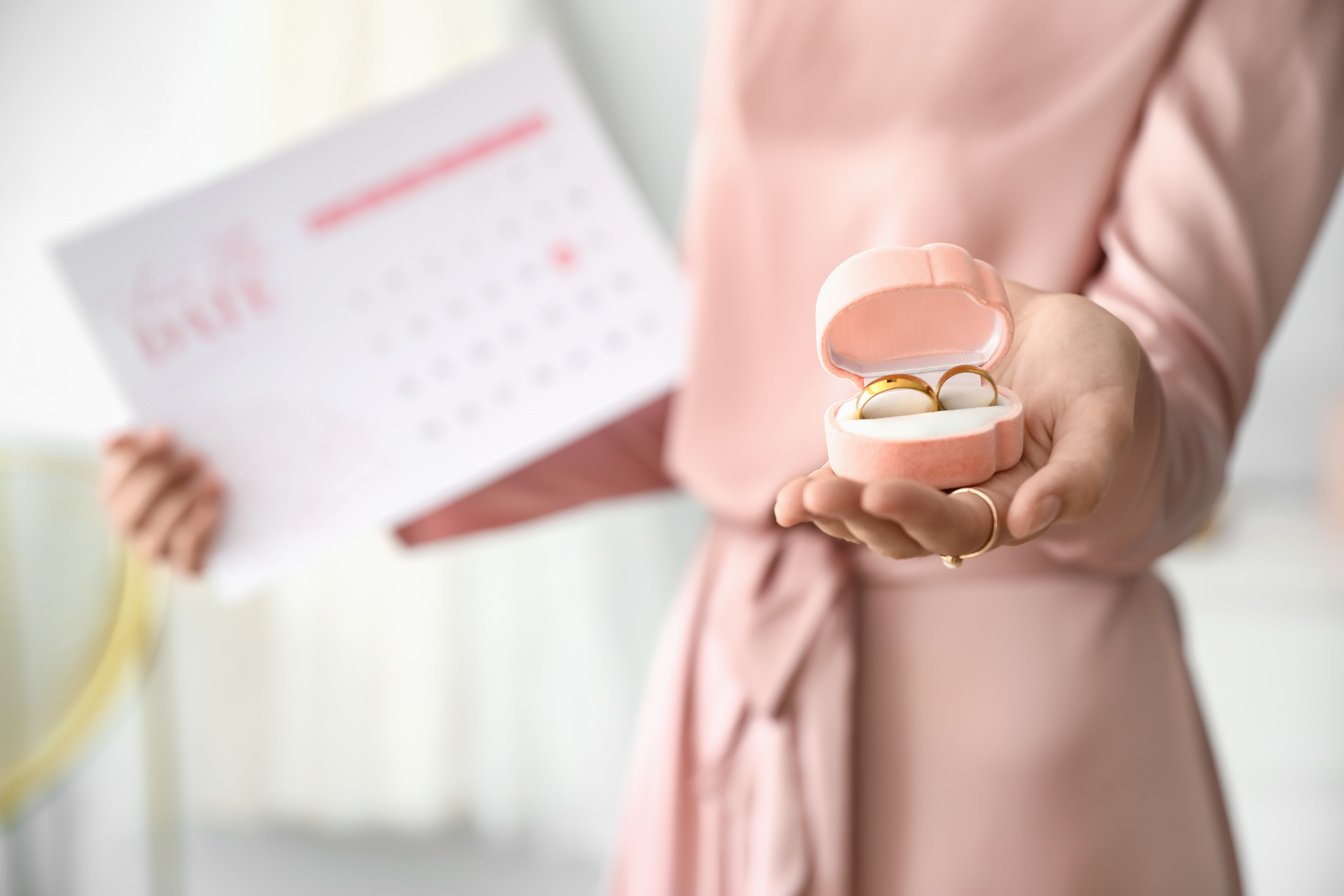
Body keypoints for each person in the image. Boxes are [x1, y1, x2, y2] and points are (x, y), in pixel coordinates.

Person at [100, 1, 1343, 892]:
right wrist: (269, 465)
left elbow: (1167, 399)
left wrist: (1100, 420)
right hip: (733, 692)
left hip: (1016, 722)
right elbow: (727, 369)